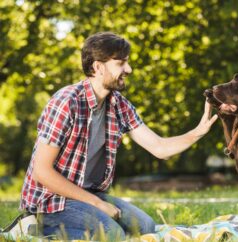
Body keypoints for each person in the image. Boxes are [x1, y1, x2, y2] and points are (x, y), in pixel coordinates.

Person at [20, 32, 218, 241]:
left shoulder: (118, 105)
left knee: (145, 226)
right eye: (121, 63)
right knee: (113, 234)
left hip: (87, 195)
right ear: (98, 67)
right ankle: (34, 228)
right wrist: (98, 204)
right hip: (51, 201)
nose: (129, 69)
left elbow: (159, 147)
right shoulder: (66, 102)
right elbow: (41, 171)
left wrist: (197, 133)